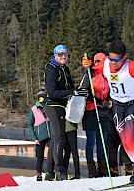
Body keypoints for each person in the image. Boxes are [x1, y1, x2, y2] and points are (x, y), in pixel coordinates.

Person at [82, 40, 134, 191]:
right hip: (117, 106)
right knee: (125, 142)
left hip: (131, 106)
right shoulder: (105, 64)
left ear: (124, 58)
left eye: (116, 60)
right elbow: (92, 72)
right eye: (111, 59)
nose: (113, 63)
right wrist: (87, 65)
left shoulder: (131, 67)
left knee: (129, 141)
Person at [44, 44, 88, 181]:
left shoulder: (65, 69)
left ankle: (49, 172)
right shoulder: (51, 69)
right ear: (55, 55)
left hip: (63, 106)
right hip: (53, 105)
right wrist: (70, 92)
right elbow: (51, 92)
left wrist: (78, 92)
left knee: (55, 140)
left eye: (65, 54)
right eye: (60, 54)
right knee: (59, 138)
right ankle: (59, 170)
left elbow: (70, 87)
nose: (63, 57)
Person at [81, 53, 110, 178]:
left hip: (103, 112)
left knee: (101, 141)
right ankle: (91, 168)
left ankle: (102, 167)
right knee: (91, 141)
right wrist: (99, 102)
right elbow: (84, 91)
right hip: (90, 111)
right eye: (99, 62)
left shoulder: (106, 76)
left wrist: (108, 101)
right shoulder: (90, 74)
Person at [28, 89, 51, 181]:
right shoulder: (33, 109)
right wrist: (34, 138)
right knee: (40, 156)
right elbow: (30, 124)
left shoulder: (49, 106)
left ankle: (50, 172)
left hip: (50, 135)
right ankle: (39, 174)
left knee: (52, 154)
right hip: (39, 137)